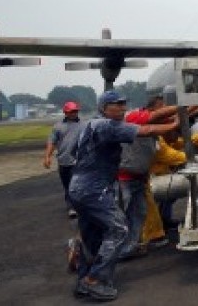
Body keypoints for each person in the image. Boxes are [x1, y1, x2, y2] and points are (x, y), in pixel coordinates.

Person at [68, 90, 179, 301]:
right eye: (115, 105)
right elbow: (146, 129)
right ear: (103, 108)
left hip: (79, 187)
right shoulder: (107, 126)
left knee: (92, 235)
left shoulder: (90, 125)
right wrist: (174, 125)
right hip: (93, 189)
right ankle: (96, 279)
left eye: (122, 104)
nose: (121, 108)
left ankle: (84, 281)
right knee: (119, 228)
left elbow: (74, 152)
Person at [117, 95, 192, 260]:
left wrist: (194, 106)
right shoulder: (134, 117)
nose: (164, 110)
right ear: (151, 110)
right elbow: (163, 136)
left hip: (140, 177)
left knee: (140, 213)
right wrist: (185, 104)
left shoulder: (152, 122)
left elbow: (171, 129)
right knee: (123, 215)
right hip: (125, 179)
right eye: (161, 107)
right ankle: (107, 250)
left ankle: (132, 246)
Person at [43, 101, 84, 218]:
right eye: (71, 111)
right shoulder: (58, 126)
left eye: (75, 111)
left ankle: (75, 206)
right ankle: (72, 205)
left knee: (76, 184)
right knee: (67, 185)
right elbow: (52, 142)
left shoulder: (84, 125)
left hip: (79, 161)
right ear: (65, 112)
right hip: (63, 161)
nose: (74, 113)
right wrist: (47, 157)